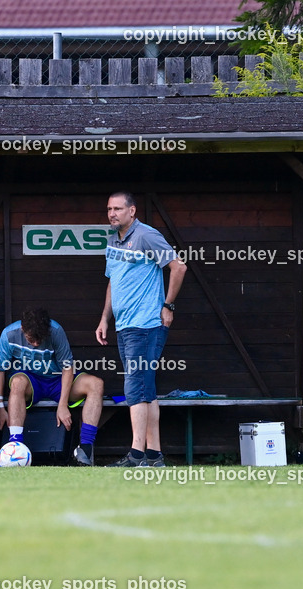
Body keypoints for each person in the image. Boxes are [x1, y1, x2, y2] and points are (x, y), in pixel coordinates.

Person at [96, 191, 187, 467]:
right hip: (124, 325)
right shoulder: (113, 240)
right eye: (109, 209)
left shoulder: (146, 235)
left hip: (146, 324)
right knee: (146, 388)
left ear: (132, 211)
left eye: (118, 209)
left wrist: (168, 306)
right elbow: (113, 281)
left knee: (134, 386)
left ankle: (136, 454)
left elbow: (179, 267)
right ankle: (154, 455)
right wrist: (104, 319)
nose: (112, 213)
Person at [0, 308, 105, 466]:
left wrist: (62, 405)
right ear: (23, 329)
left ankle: (85, 450)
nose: (37, 343)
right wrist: (0, 407)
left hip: (58, 379)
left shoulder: (56, 330)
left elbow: (67, 367)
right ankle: (16, 446)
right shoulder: (9, 334)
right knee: (17, 382)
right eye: (32, 339)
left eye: (41, 338)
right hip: (31, 381)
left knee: (96, 384)